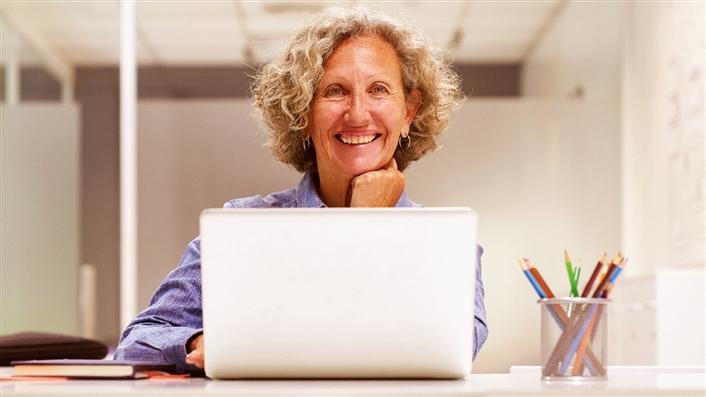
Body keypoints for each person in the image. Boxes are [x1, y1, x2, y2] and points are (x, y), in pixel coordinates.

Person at [114, 6, 487, 374]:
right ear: (303, 114)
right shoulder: (244, 226)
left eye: (378, 89)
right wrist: (199, 343)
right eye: (335, 92)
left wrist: (366, 225)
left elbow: (457, 345)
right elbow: (137, 343)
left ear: (408, 112)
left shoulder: (444, 242)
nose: (357, 113)